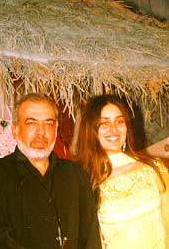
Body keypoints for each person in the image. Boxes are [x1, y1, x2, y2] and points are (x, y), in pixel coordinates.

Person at [0, 93, 102, 249]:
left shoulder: (75, 175)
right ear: (15, 130)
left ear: (56, 129)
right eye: (31, 123)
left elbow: (91, 239)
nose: (41, 132)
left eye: (48, 124)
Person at [72, 94, 169, 249]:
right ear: (92, 130)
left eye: (119, 121)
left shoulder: (155, 169)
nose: (114, 129)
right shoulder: (85, 181)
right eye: (104, 123)